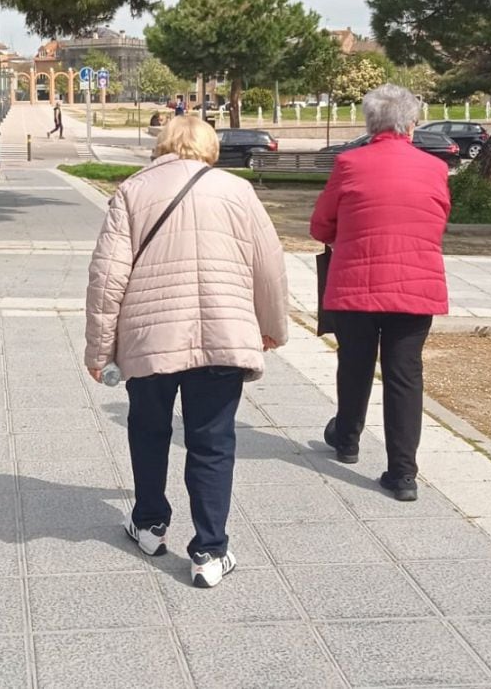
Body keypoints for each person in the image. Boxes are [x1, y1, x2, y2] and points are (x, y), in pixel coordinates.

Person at [85, 115, 288, 588]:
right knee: (213, 441)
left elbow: (107, 278)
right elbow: (270, 266)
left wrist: (100, 349)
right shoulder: (237, 191)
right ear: (210, 147)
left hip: (150, 336)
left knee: (149, 430)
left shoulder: (133, 191)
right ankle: (210, 550)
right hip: (224, 333)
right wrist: (272, 327)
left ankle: (151, 522)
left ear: (162, 145)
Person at [309, 84, 450, 502]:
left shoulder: (349, 163)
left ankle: (347, 439)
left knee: (354, 363)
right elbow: (438, 219)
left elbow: (321, 226)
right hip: (415, 284)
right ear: (411, 125)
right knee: (404, 375)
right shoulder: (434, 168)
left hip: (356, 284)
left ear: (371, 123)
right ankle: (403, 473)